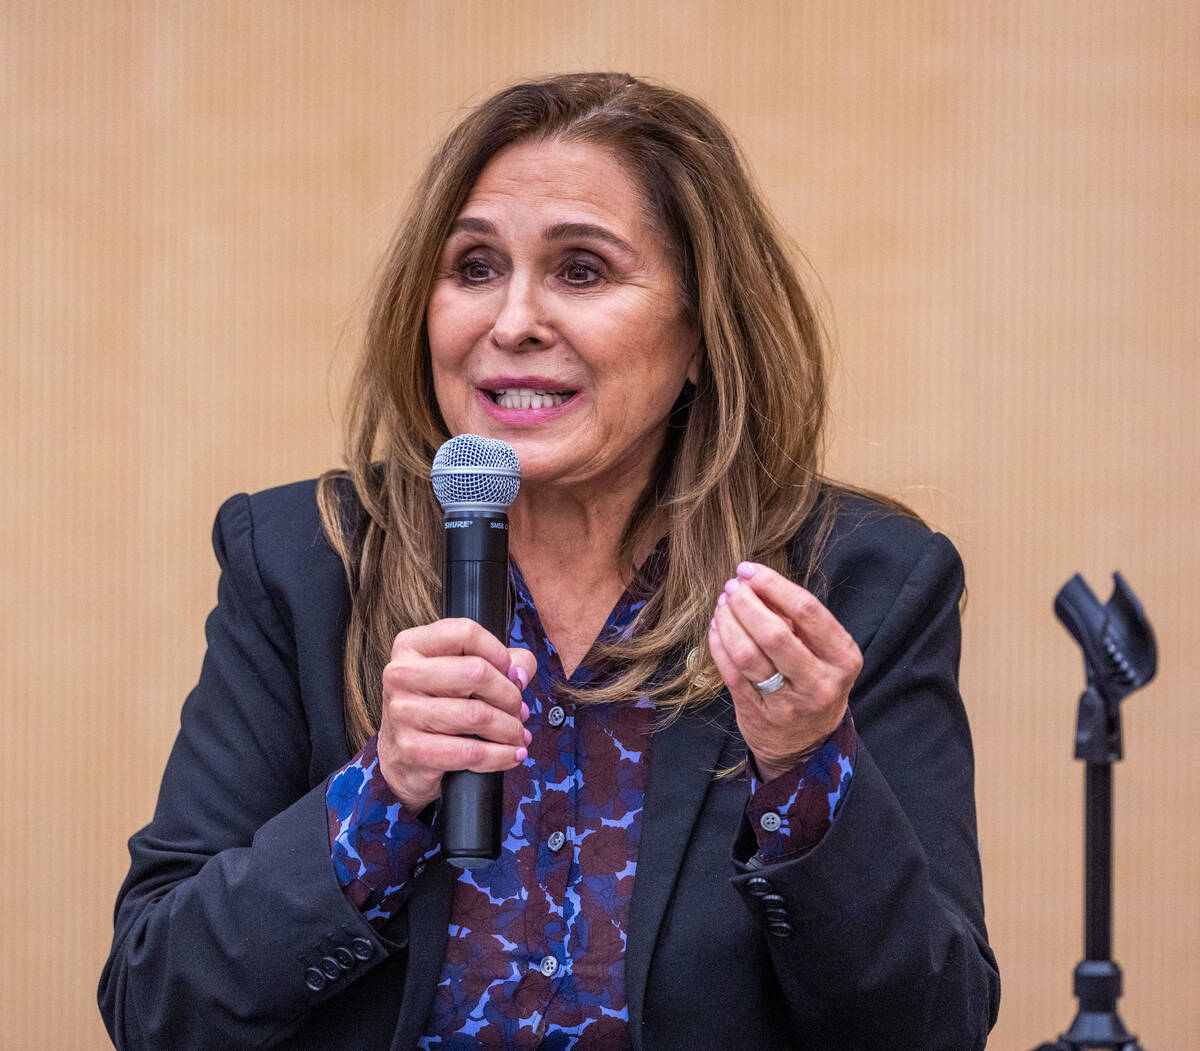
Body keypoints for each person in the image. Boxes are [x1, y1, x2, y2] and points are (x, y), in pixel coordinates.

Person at [99, 72, 999, 1049]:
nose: (512, 320)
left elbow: (933, 1026)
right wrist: (384, 789)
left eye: (580, 271)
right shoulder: (305, 563)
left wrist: (808, 767)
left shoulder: (851, 582)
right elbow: (160, 1003)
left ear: (700, 333)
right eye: (476, 267)